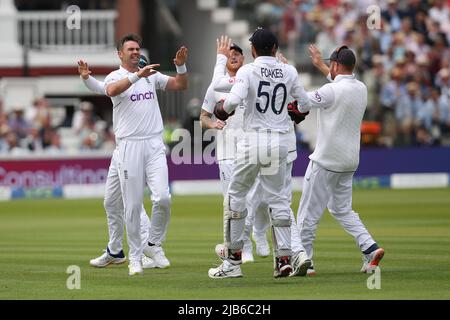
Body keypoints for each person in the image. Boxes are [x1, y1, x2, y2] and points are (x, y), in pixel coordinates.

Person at [79, 34, 188, 276]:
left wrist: (180, 66)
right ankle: (131, 256)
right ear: (120, 54)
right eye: (130, 49)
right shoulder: (117, 76)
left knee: (163, 199)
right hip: (128, 146)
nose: (135, 52)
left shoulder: (150, 75)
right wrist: (136, 75)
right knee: (129, 204)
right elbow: (108, 89)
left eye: (138, 48)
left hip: (154, 143)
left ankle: (152, 245)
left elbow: (181, 85)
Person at [207, 28, 311, 279]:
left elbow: (230, 104)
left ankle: (232, 263)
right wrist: (294, 112)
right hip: (278, 144)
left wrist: (221, 109)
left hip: (252, 140)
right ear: (275, 49)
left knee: (235, 198)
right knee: (279, 201)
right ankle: (283, 261)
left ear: (253, 50)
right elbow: (304, 105)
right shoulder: (289, 71)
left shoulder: (247, 70)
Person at [295, 44, 385, 275]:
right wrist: (321, 66)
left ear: (336, 65)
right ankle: (369, 248)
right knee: (341, 209)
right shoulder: (361, 88)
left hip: (326, 161)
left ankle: (307, 262)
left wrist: (289, 74)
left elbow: (304, 102)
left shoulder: (330, 90)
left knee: (307, 214)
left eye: (330, 65)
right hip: (349, 161)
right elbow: (339, 85)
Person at [77, 61, 156, 271]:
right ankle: (115, 250)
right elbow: (104, 88)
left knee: (132, 203)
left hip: (132, 149)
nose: (139, 68)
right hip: (119, 150)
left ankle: (148, 252)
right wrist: (86, 78)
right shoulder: (121, 79)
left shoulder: (145, 85)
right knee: (111, 202)